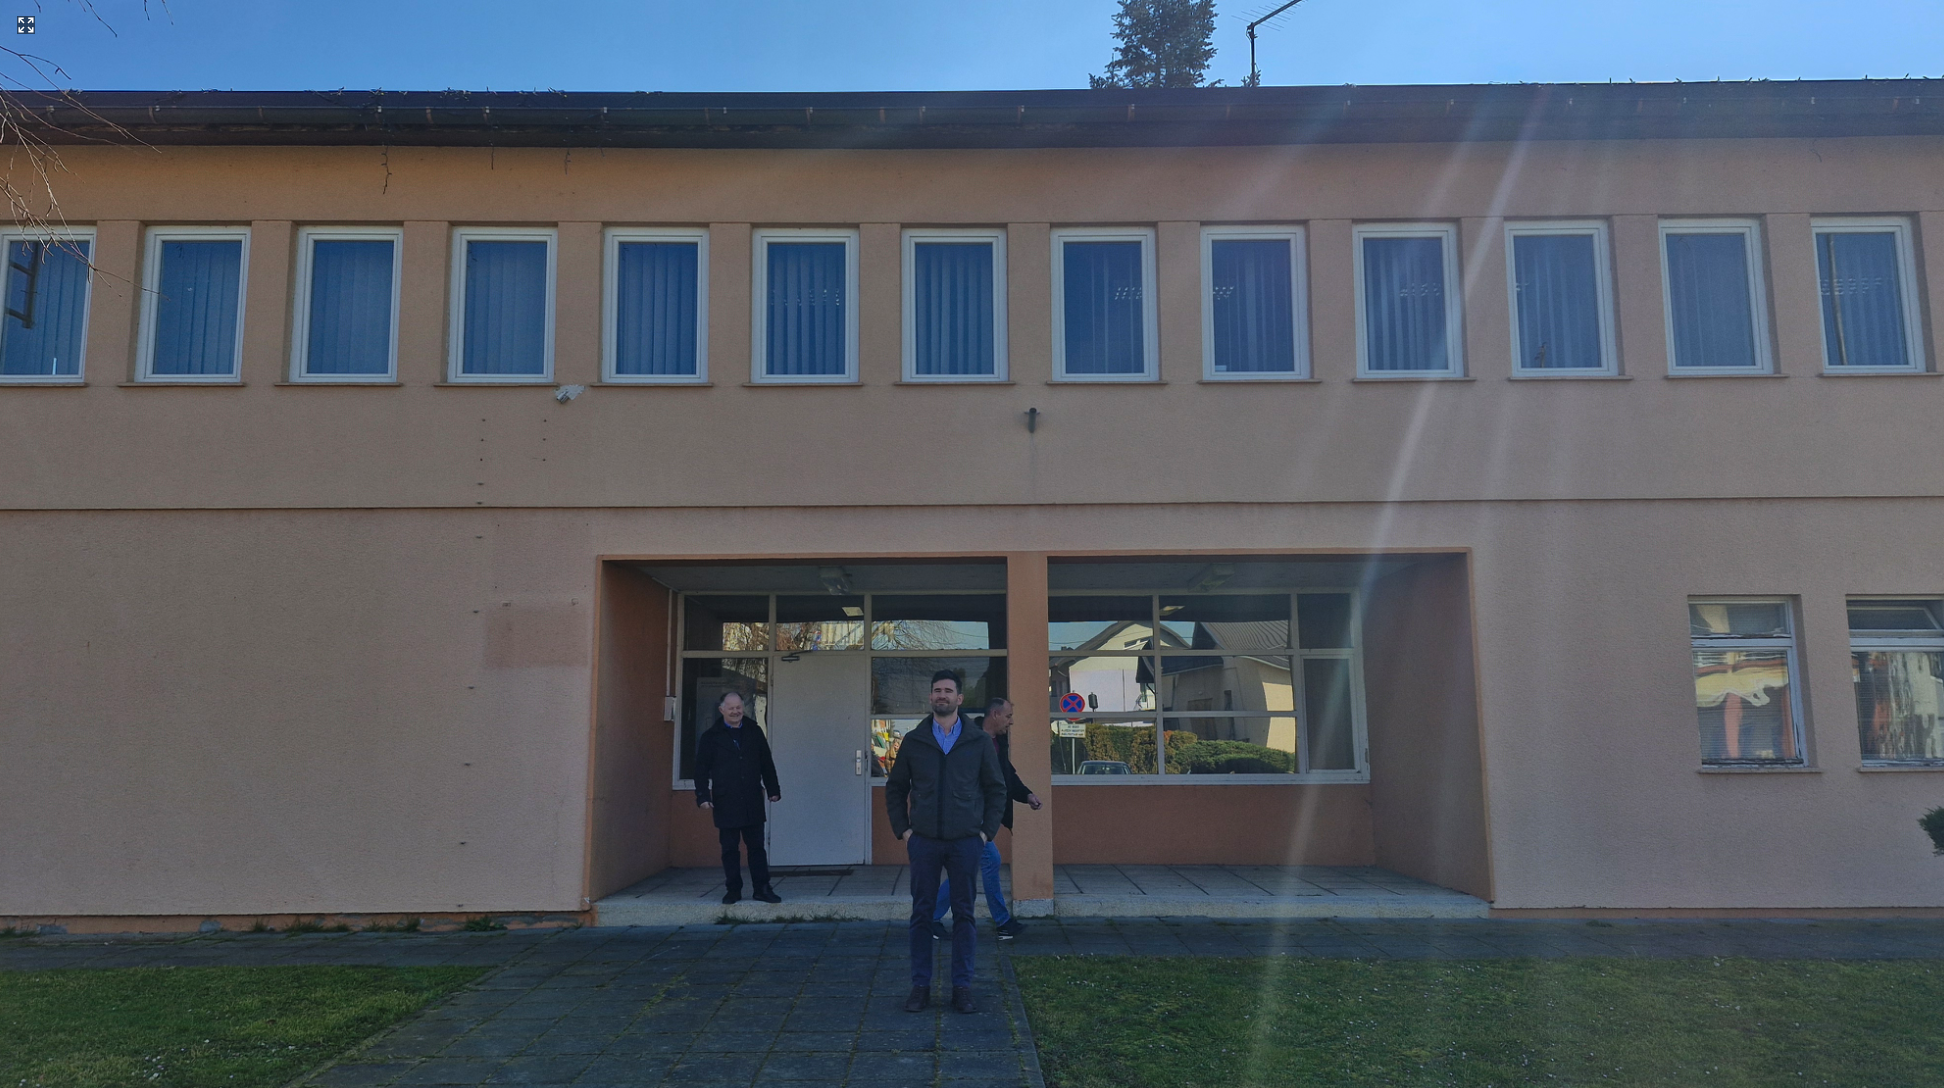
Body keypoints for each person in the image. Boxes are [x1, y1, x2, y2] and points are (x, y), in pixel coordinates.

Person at [884, 670, 1005, 1015]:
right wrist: (904, 831)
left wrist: (985, 834)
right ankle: (920, 987)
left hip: (966, 842)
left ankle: (961, 988)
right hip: (923, 841)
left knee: (964, 915)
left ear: (959, 699)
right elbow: (896, 789)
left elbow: (996, 790)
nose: (942, 695)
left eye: (948, 691)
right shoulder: (915, 741)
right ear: (930, 697)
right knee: (922, 914)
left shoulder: (978, 741)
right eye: (937, 690)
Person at [933, 698, 1040, 940]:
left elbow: (1007, 776)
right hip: (964, 815)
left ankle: (929, 918)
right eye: (1008, 716)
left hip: (978, 816)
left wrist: (1027, 795)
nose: (1011, 722)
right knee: (990, 860)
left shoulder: (997, 743)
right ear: (995, 715)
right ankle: (1003, 922)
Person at [692, 691, 783, 906]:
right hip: (726, 800)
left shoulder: (754, 731)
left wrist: (773, 789)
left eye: (739, 707)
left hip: (752, 798)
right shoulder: (711, 737)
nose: (736, 711)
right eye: (731, 708)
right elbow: (701, 769)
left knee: (757, 848)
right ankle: (733, 890)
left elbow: (766, 763)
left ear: (744, 708)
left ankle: (762, 889)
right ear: (721, 710)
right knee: (730, 850)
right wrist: (702, 795)